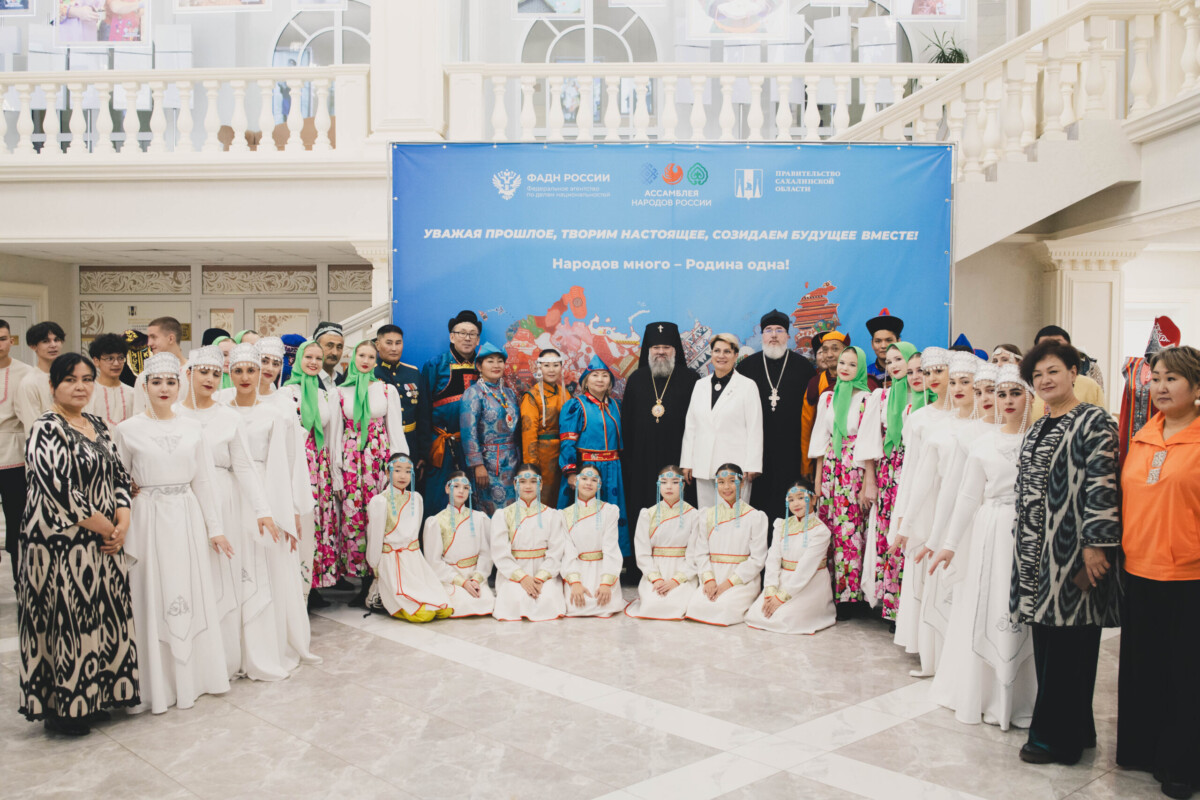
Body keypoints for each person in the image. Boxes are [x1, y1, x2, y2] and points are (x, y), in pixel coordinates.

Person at [1011, 340, 1121, 766]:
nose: (1045, 380)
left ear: (1074, 373)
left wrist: (1097, 545)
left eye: (1053, 371)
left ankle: (1055, 740)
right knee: (1049, 643)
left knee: (1071, 645)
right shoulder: (1039, 424)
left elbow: (1103, 485)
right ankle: (1078, 728)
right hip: (1036, 557)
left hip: (1075, 554)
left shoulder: (1094, 420)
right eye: (1037, 375)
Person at [17, 352, 139, 735]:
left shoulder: (98, 424)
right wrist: (108, 529)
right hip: (59, 543)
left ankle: (96, 696)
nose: (80, 387)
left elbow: (119, 476)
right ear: (53, 385)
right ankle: (66, 707)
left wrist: (123, 521)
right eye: (70, 379)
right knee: (66, 621)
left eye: (87, 379)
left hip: (103, 541)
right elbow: (60, 491)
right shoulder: (45, 427)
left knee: (101, 616)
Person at [117, 352, 232, 714]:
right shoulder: (127, 429)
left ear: (179, 385)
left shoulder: (192, 428)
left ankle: (194, 679)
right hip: (147, 520)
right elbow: (118, 482)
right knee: (152, 593)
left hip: (186, 515)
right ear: (145, 386)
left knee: (189, 590)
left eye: (170, 381)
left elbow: (204, 481)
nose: (164, 388)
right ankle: (157, 685)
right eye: (156, 382)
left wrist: (215, 529)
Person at [927, 364, 1036, 731]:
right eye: (1000, 394)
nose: (1006, 401)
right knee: (987, 602)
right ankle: (983, 693)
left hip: (1030, 534)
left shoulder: (1038, 440)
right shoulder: (981, 444)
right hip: (991, 531)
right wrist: (948, 544)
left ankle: (1022, 697)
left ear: (1029, 396)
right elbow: (968, 496)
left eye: (1015, 393)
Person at [1117, 345, 1200, 799]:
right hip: (1140, 568)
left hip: (1189, 575)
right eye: (1156, 377)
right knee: (1143, 668)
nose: (1161, 386)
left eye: (1173, 378)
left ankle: (1182, 764)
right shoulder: (1144, 433)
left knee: (1185, 675)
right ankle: (1142, 749)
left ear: (1196, 386)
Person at [177, 345, 288, 682]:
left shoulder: (229, 417)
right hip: (186, 502)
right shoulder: (175, 415)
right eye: (203, 372)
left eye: (215, 373)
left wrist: (263, 510)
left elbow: (243, 466)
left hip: (226, 498)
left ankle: (228, 657)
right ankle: (196, 660)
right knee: (196, 577)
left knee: (227, 576)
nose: (210, 379)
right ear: (189, 374)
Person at [223, 342, 318, 672]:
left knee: (267, 562)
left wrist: (292, 508)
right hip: (230, 493)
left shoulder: (281, 409)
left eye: (271, 363)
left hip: (269, 487)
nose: (262, 370)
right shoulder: (222, 403)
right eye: (257, 362)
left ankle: (266, 640)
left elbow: (292, 461)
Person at [894, 351, 981, 675]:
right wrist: (905, 520)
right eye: (952, 381)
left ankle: (966, 662)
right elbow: (917, 474)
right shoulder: (934, 426)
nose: (954, 387)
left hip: (975, 514)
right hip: (938, 506)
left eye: (963, 381)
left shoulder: (986, 425)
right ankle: (935, 656)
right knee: (937, 582)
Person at [889, 346, 952, 660]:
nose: (932, 378)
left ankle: (950, 645)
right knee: (925, 570)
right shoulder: (919, 418)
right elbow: (911, 470)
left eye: (939, 371)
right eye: (927, 372)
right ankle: (926, 647)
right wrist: (904, 515)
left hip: (954, 500)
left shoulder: (971, 415)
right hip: (925, 502)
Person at [336, 340, 408, 603]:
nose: (366, 361)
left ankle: (380, 582)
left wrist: (400, 467)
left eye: (370, 357)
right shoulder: (340, 392)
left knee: (379, 518)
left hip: (378, 461)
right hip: (352, 463)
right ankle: (361, 583)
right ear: (353, 358)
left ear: (376, 361)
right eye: (361, 356)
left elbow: (395, 430)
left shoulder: (387, 390)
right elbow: (336, 434)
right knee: (354, 519)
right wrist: (337, 470)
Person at [854, 341, 918, 625]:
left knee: (912, 532)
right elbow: (870, 441)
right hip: (888, 473)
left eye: (899, 359)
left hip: (916, 471)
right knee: (888, 535)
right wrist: (870, 479)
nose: (893, 366)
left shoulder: (927, 396)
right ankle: (892, 608)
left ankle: (912, 608)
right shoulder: (882, 396)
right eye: (889, 361)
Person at [808, 345, 875, 618]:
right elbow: (820, 440)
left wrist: (867, 481)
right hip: (830, 469)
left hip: (853, 468)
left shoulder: (869, 399)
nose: (845, 368)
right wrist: (817, 480)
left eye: (852, 364)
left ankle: (851, 598)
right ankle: (830, 593)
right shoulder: (827, 398)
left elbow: (870, 441)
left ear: (860, 368)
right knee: (829, 529)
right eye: (842, 363)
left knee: (851, 530)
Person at [737, 310, 817, 527]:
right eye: (768, 330)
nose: (773, 335)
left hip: (792, 452)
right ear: (762, 335)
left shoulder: (803, 367)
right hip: (757, 453)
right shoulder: (746, 368)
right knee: (757, 507)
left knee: (790, 506)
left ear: (788, 336)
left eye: (779, 330)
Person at [621, 321, 701, 531]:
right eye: (656, 347)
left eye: (666, 347)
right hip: (642, 461)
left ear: (675, 350)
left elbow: (699, 423)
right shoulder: (636, 379)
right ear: (648, 351)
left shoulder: (691, 380)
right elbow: (627, 424)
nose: (661, 352)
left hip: (679, 459)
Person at [280, 339, 343, 604]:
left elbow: (329, 434)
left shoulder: (324, 394)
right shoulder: (285, 393)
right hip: (296, 463)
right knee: (301, 519)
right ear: (298, 360)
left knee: (319, 521)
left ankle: (314, 585)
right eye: (309, 357)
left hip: (319, 465)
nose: (314, 363)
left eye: (318, 358)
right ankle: (296, 586)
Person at [367, 453, 452, 621]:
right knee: (423, 615)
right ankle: (385, 597)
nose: (403, 476)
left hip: (414, 560)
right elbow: (374, 536)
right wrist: (375, 565)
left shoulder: (416, 498)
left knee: (444, 609)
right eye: (397, 470)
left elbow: (415, 532)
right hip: (392, 561)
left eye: (407, 471)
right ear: (387, 472)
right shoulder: (380, 501)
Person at [681, 333, 762, 509]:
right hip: (703, 462)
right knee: (706, 516)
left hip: (736, 466)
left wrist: (753, 464)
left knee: (734, 516)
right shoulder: (700, 385)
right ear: (711, 354)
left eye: (727, 351)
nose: (721, 356)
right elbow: (691, 426)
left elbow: (755, 428)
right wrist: (686, 462)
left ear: (735, 355)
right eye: (717, 351)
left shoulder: (747, 386)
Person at [558, 355, 628, 555]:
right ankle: (580, 557)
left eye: (605, 376)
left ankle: (611, 558)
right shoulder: (576, 406)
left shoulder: (616, 405)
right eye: (595, 375)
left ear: (610, 382)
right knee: (586, 516)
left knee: (610, 515)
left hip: (613, 468)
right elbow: (567, 442)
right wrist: (571, 472)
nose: (600, 379)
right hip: (586, 469)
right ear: (586, 381)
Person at [745, 482, 836, 634]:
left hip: (810, 583)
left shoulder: (820, 531)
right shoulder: (781, 525)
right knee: (756, 614)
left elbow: (805, 569)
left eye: (801, 498)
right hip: (783, 579)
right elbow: (773, 559)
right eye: (791, 499)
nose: (796, 503)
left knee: (784, 619)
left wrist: (781, 597)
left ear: (813, 499)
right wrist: (770, 590)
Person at [684, 463, 768, 626]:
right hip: (714, 575)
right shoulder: (707, 515)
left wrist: (726, 585)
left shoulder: (755, 517)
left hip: (742, 579)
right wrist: (708, 580)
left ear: (741, 483)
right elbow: (700, 552)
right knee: (696, 606)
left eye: (731, 481)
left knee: (723, 607)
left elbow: (757, 559)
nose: (726, 487)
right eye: (721, 482)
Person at [421, 310, 481, 516]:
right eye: (462, 333)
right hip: (442, 445)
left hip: (473, 448)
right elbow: (423, 409)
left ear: (478, 339)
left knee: (471, 499)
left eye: (472, 334)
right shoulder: (436, 365)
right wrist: (424, 450)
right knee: (438, 498)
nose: (467, 338)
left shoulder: (484, 366)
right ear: (452, 337)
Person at [491, 464, 567, 622]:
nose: (528, 486)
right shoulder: (503, 515)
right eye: (522, 481)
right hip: (513, 571)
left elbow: (556, 552)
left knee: (547, 599)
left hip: (544, 570)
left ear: (541, 485)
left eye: (533, 481)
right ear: (515, 484)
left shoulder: (552, 515)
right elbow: (500, 553)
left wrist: (540, 578)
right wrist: (522, 578)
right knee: (516, 599)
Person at [625, 466, 700, 620]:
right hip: (655, 570)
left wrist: (675, 581)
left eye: (675, 482)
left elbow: (694, 554)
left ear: (683, 485)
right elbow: (642, 553)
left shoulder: (694, 515)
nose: (669, 487)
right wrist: (656, 579)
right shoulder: (648, 514)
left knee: (677, 603)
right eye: (664, 482)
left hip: (683, 571)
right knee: (653, 605)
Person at [422, 471, 495, 618]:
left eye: (466, 487)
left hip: (475, 576)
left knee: (488, 602)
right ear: (447, 488)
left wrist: (476, 579)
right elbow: (434, 561)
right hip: (450, 579)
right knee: (464, 603)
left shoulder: (480, 518)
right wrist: (463, 582)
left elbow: (486, 554)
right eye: (456, 486)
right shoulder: (436, 521)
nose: (461, 491)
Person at [461, 342, 520, 516]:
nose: (496, 365)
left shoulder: (509, 393)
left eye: (500, 361)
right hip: (488, 464)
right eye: (490, 361)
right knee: (492, 512)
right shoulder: (474, 393)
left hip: (512, 461)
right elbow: (468, 432)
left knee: (513, 511)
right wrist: (477, 465)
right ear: (479, 366)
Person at [561, 465, 624, 617]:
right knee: (575, 606)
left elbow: (611, 548)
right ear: (575, 482)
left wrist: (606, 583)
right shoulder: (564, 514)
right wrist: (575, 582)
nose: (589, 483)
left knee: (606, 604)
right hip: (578, 569)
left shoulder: (609, 511)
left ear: (599, 485)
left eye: (594, 480)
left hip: (603, 568)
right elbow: (567, 551)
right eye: (584, 478)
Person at [1118, 316, 1180, 465]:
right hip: (1130, 437)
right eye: (1156, 379)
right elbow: (1126, 406)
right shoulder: (1132, 367)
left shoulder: (1178, 371)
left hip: (1163, 438)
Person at [373, 324, 430, 482]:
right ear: (378, 345)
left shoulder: (413, 373)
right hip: (381, 443)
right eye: (389, 343)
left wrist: (423, 454)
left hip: (410, 443)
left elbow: (423, 415)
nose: (394, 348)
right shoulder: (370, 373)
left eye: (398, 343)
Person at [0, 319, 34, 580]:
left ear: (11, 341)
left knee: (16, 521)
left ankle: (20, 583)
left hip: (14, 456)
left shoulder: (26, 373)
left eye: (2, 339)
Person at [801, 330, 850, 477]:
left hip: (852, 453)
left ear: (846, 351)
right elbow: (807, 425)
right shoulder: (815, 383)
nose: (829, 355)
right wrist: (806, 465)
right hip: (823, 456)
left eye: (835, 349)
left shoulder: (860, 380)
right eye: (825, 350)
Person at [520, 348, 565, 505]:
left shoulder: (565, 393)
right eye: (546, 365)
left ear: (561, 367)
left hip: (563, 455)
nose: (551, 370)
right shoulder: (532, 396)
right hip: (542, 456)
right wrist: (531, 466)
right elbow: (528, 433)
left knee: (562, 499)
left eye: (555, 365)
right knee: (543, 498)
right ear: (539, 368)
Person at [14, 321, 64, 439]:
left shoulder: (70, 377)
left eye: (56, 340)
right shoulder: (29, 382)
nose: (53, 345)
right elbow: (33, 425)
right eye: (46, 341)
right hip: (47, 442)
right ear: (33, 346)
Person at [133, 317, 188, 414]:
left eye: (154, 337)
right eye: (156, 383)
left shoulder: (196, 373)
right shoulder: (144, 376)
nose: (149, 343)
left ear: (171, 338)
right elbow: (138, 415)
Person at [85, 333, 136, 429]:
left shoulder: (133, 394)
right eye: (110, 358)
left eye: (120, 358)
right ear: (96, 361)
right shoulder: (88, 393)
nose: (116, 363)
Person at [1034, 325, 1105, 390]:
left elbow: (1098, 394)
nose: (1052, 349)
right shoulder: (1030, 370)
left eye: (1057, 344)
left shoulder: (1088, 367)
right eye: (1046, 345)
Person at [865, 309, 904, 386]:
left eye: (889, 340)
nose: (883, 346)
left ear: (899, 342)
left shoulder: (909, 370)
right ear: (872, 344)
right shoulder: (866, 374)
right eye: (878, 341)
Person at [312, 321, 345, 391]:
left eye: (339, 347)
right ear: (316, 346)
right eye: (329, 346)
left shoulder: (343, 381)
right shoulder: (306, 380)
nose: (335, 353)